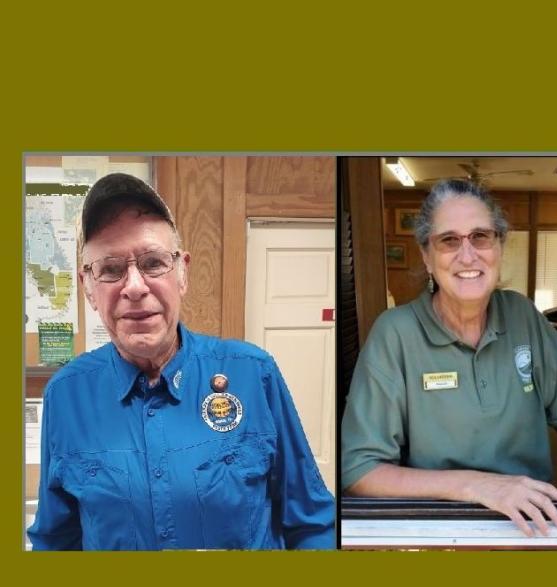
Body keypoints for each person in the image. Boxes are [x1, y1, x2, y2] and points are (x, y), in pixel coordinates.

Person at [28, 173, 335, 550]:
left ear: (182, 272)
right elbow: (55, 541)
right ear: (89, 288)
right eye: (110, 270)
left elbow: (313, 523)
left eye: (153, 263)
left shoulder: (254, 373)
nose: (135, 287)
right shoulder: (66, 395)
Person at [341, 179, 557, 537]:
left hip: (531, 527)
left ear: (499, 246)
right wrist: (477, 486)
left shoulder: (523, 316)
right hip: (437, 531)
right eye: (449, 240)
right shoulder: (395, 334)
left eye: (481, 237)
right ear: (426, 255)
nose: (467, 256)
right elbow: (360, 471)